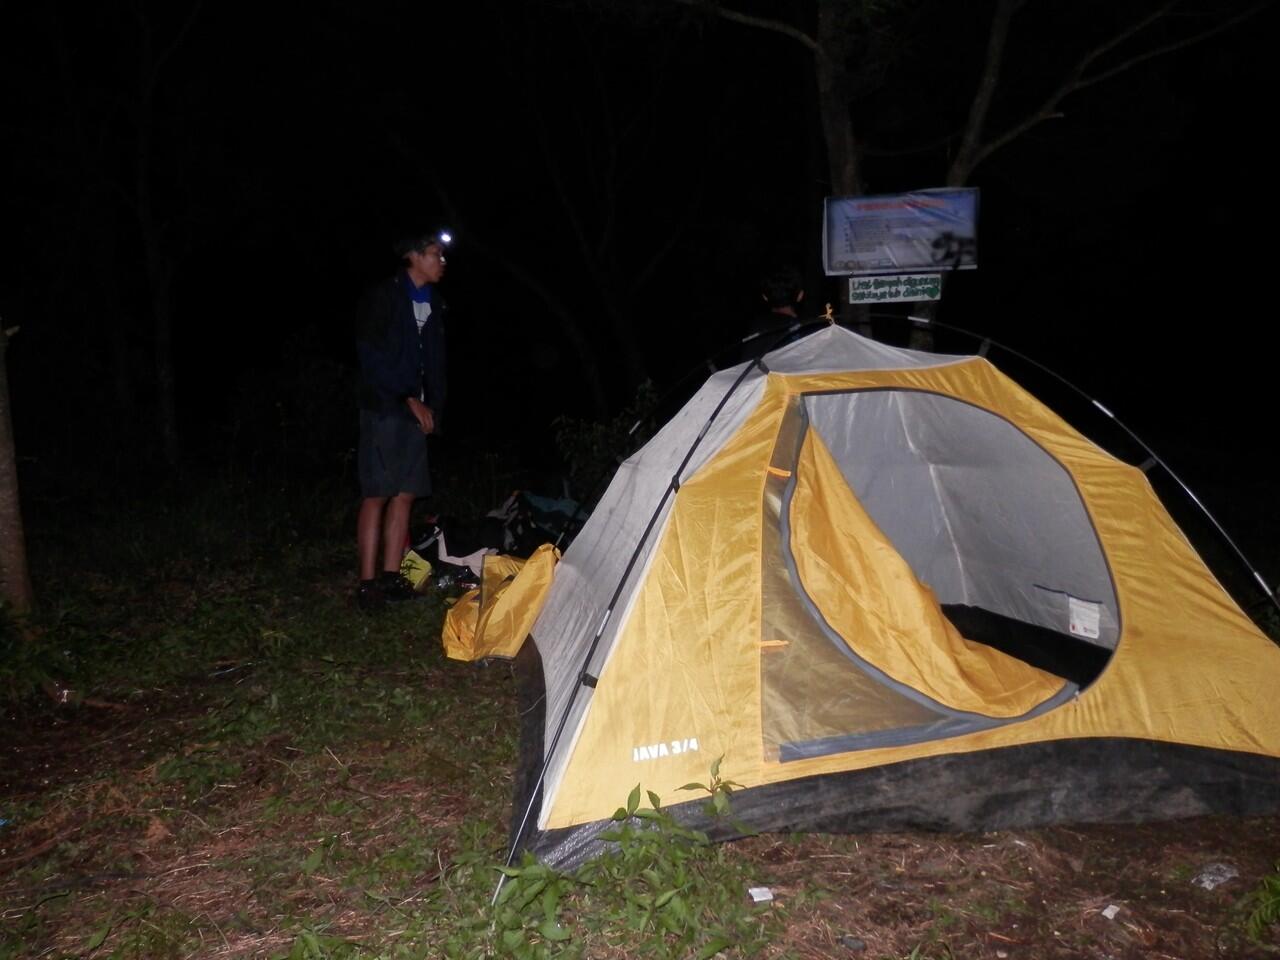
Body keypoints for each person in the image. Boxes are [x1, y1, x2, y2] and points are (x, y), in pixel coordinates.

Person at [354, 230, 450, 611]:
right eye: (435, 254)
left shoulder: (436, 303)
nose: (442, 261)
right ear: (413, 257)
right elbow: (370, 355)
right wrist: (405, 397)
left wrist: (434, 407)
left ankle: (392, 579)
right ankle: (367, 584)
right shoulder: (385, 297)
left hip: (419, 412)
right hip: (385, 408)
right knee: (377, 492)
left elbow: (436, 364)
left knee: (406, 493)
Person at [741, 263, 805, 363]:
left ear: (765, 297)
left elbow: (745, 366)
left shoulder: (759, 328)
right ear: (800, 295)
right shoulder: (811, 327)